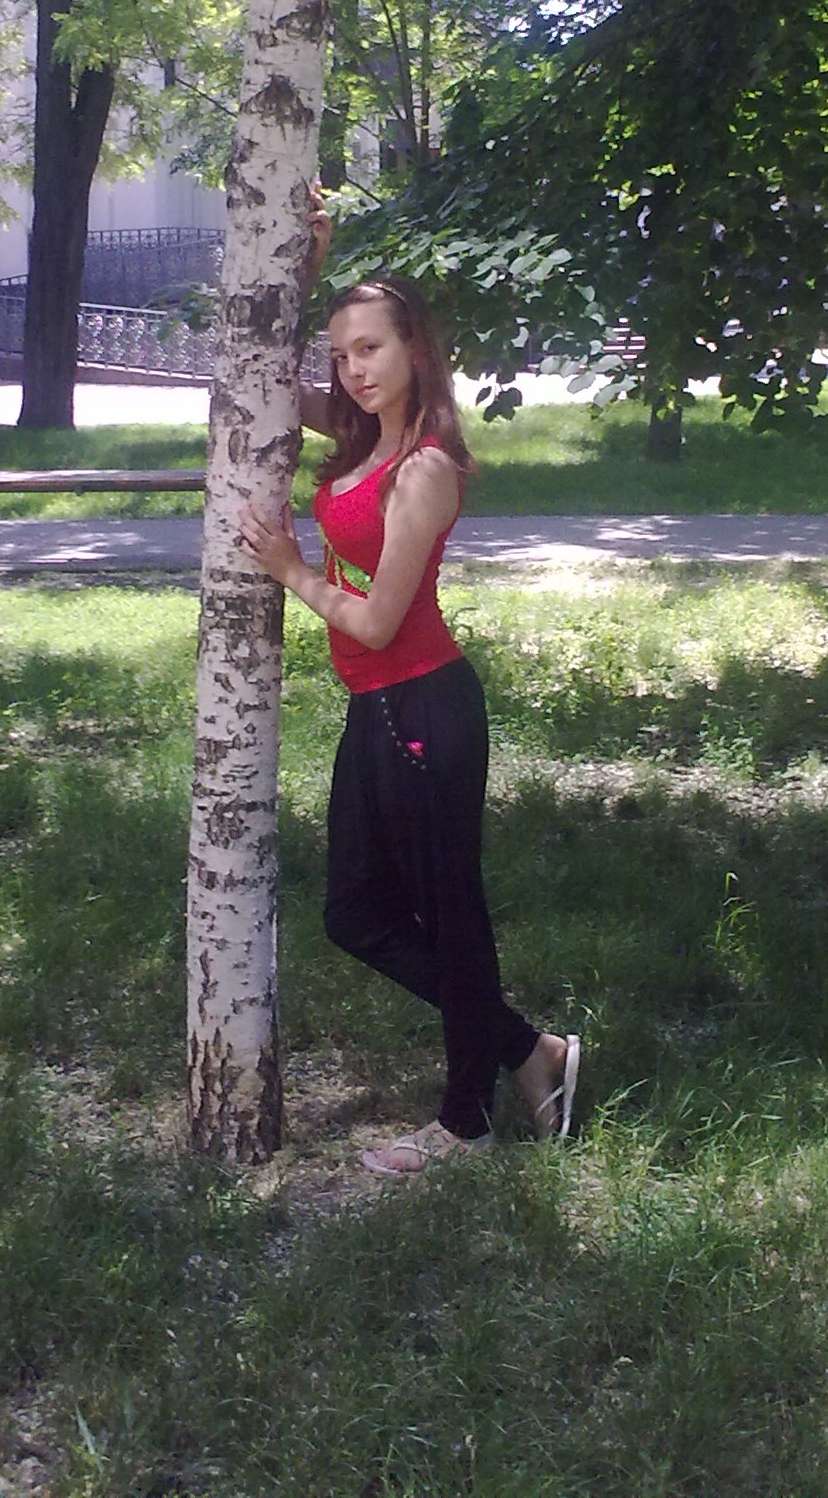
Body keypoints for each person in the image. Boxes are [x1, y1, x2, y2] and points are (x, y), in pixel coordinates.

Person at [239, 243, 580, 1177]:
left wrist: (291, 572)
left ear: (416, 350)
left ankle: (465, 1123)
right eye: (341, 354)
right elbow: (264, 384)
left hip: (425, 704)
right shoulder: (366, 441)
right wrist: (303, 267)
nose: (353, 369)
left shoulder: (424, 468)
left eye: (371, 349)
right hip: (378, 710)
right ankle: (530, 1050)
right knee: (353, 913)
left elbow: (379, 623)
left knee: (450, 915)